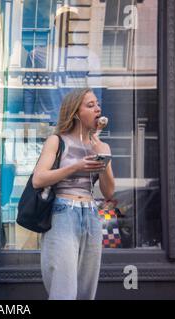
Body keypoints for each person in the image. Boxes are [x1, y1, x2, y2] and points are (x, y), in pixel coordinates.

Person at [32, 88, 115, 300]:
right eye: (90, 105)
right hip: (64, 212)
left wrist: (103, 156)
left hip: (91, 214)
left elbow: (109, 191)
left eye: (97, 104)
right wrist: (74, 167)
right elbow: (38, 179)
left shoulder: (101, 145)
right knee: (64, 288)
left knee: (87, 289)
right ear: (76, 113)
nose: (97, 109)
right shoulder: (57, 141)